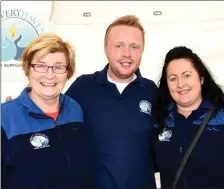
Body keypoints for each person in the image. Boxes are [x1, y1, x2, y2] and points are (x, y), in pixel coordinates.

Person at [65, 15, 158, 188]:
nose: (127, 54)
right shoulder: (83, 87)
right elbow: (52, 116)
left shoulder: (153, 92)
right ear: (106, 49)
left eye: (134, 47)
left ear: (142, 50)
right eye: (119, 46)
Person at [1, 33, 93, 188]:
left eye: (58, 67)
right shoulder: (5, 118)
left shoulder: (75, 109)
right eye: (41, 66)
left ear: (67, 73)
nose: (50, 75)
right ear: (28, 70)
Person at [153, 46, 224, 188]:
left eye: (187, 75)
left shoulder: (220, 116)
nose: (180, 84)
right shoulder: (158, 120)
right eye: (173, 78)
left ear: (201, 78)